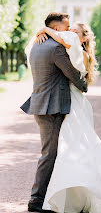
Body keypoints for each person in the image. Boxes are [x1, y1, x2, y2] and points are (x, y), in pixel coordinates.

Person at [33, 21, 101, 213]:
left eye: (75, 31)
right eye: (69, 30)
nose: (70, 33)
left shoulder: (79, 52)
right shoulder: (68, 47)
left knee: (73, 148)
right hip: (67, 101)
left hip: (73, 103)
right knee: (69, 149)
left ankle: (75, 194)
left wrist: (45, 29)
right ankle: (68, 196)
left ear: (83, 38)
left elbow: (73, 74)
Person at [20, 12, 88, 213]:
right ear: (56, 28)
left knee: (51, 153)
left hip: (41, 104)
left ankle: (47, 198)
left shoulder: (36, 46)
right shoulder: (57, 49)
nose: (69, 31)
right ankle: (36, 200)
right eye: (66, 27)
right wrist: (83, 85)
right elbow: (72, 74)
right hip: (52, 107)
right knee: (49, 154)